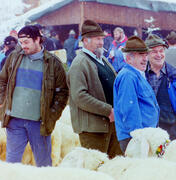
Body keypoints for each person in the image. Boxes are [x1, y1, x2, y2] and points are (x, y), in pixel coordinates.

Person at [0, 25, 68, 166]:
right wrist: (3, 102)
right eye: (21, 42)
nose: (23, 46)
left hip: (39, 123)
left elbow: (62, 92)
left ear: (37, 39)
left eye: (26, 42)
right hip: (14, 121)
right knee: (12, 165)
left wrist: (52, 115)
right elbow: (2, 81)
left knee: (43, 165)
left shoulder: (53, 63)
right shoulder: (13, 58)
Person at [67, 20, 122, 158]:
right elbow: (79, 96)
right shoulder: (79, 63)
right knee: (96, 169)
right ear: (85, 40)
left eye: (102, 39)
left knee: (114, 166)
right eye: (97, 39)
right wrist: (107, 110)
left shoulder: (102, 60)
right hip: (92, 129)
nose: (101, 43)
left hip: (110, 125)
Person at [113, 36, 160, 152]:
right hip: (136, 139)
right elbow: (129, 110)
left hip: (145, 136)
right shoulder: (128, 77)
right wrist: (139, 140)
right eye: (140, 55)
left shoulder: (137, 75)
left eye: (145, 55)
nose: (145, 59)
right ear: (128, 59)